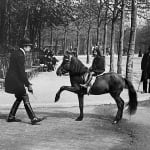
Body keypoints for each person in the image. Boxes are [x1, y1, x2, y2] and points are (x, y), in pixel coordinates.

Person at [5, 37, 43, 125]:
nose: (30, 48)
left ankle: (11, 116)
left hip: (12, 79)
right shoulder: (20, 55)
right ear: (25, 46)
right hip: (15, 80)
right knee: (24, 96)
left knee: (19, 97)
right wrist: (28, 84)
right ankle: (33, 118)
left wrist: (26, 83)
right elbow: (21, 72)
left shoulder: (16, 53)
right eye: (29, 47)